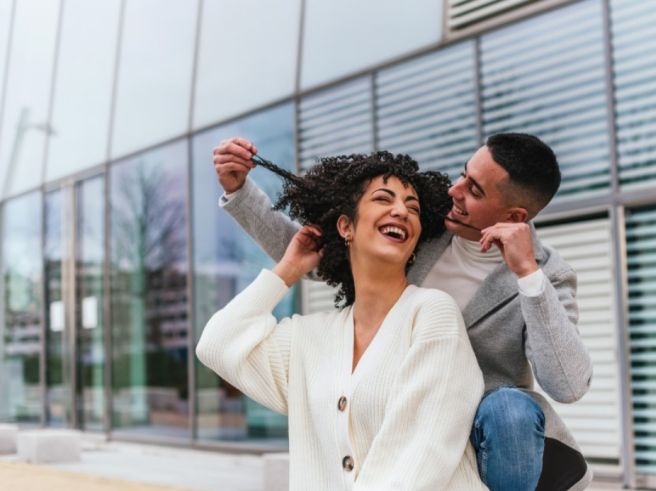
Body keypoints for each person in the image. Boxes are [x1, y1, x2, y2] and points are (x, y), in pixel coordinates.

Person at [213, 133, 593, 491]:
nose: (454, 190)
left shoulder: (548, 275)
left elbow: (567, 384)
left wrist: (528, 274)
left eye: (473, 190)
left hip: (480, 428)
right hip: (390, 400)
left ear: (513, 217)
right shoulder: (425, 221)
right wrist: (240, 191)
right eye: (463, 174)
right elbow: (322, 250)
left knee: (510, 410)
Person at [197, 151, 487, 490]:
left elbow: (423, 451)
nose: (401, 211)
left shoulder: (432, 314)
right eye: (384, 198)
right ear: (346, 226)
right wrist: (287, 270)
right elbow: (216, 344)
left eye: (413, 208)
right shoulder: (308, 337)